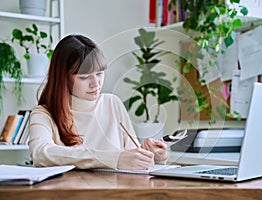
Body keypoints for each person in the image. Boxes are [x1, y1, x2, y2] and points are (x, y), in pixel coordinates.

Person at [28, 34, 169, 170]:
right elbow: (40, 153)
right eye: (84, 77)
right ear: (63, 78)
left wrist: (154, 157)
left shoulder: (112, 103)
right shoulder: (44, 113)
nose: (95, 84)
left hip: (116, 191)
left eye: (100, 73)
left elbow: (132, 159)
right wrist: (113, 159)